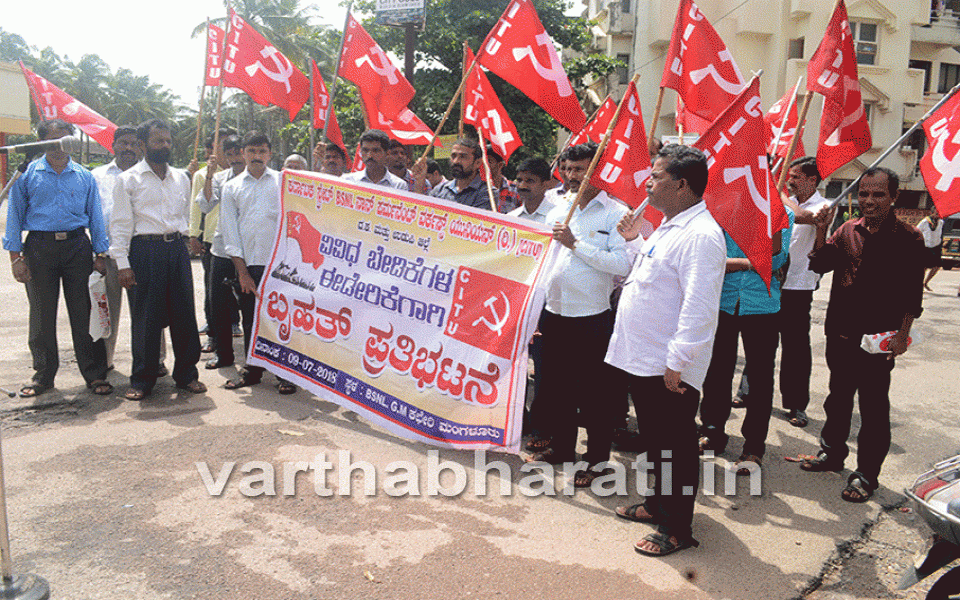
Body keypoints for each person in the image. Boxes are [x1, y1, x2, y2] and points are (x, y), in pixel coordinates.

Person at [608, 144, 725, 557]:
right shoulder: (669, 225)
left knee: (675, 445)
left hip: (667, 364)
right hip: (643, 358)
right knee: (657, 442)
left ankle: (677, 528)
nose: (647, 183)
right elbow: (650, 276)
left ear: (680, 184)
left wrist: (679, 360)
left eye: (655, 176)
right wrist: (633, 240)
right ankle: (659, 505)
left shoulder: (702, 235)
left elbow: (699, 306)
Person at [799, 167, 926, 503]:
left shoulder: (909, 238)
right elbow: (819, 264)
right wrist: (822, 230)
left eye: (878, 194)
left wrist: (902, 336)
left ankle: (866, 475)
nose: (869, 201)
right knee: (837, 398)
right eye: (864, 193)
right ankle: (832, 454)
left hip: (878, 339)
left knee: (872, 407)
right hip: (841, 332)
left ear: (895, 197)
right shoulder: (847, 230)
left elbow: (914, 293)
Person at [527, 142, 633, 488]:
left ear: (598, 171)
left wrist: (577, 244)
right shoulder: (558, 207)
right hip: (554, 314)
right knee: (557, 390)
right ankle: (562, 449)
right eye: (568, 170)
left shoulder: (616, 213)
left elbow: (622, 264)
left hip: (592, 318)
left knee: (594, 395)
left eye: (580, 171)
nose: (572, 177)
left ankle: (598, 460)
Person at [4, 119, 113, 397]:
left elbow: (96, 216)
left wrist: (100, 253)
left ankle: (94, 374)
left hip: (77, 247)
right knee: (41, 313)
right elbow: (14, 217)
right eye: (52, 140)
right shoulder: (27, 174)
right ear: (42, 142)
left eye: (64, 140)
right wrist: (16, 258)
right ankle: (43, 375)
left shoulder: (84, 176)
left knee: (83, 312)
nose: (59, 147)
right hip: (39, 248)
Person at [110, 118, 207, 400]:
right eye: (158, 141)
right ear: (143, 145)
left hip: (176, 250)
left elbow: (183, 217)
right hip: (144, 252)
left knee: (184, 315)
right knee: (146, 319)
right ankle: (142, 380)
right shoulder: (128, 180)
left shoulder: (181, 178)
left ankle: (187, 375)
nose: (165, 146)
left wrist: (190, 238)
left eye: (167, 141)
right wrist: (123, 264)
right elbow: (119, 225)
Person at [698, 212, 794, 473]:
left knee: (760, 379)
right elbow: (711, 259)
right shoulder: (724, 210)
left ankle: (753, 447)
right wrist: (749, 263)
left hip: (762, 306)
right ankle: (712, 432)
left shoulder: (781, 214)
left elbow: (775, 260)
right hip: (723, 302)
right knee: (716, 372)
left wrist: (741, 261)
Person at [218, 132, 297, 395]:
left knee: (281, 319)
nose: (257, 156)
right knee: (250, 319)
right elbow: (230, 233)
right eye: (251, 151)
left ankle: (284, 373)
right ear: (243, 153)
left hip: (281, 265)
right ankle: (252, 370)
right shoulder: (232, 187)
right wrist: (242, 272)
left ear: (270, 154)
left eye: (262, 151)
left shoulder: (284, 182)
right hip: (249, 266)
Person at [92, 125, 170, 374]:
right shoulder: (96, 176)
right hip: (107, 255)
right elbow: (91, 217)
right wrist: (97, 254)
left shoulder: (151, 175)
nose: (127, 149)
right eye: (122, 144)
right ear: (112, 146)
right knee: (107, 311)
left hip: (141, 253)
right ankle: (104, 361)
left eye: (132, 144)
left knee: (150, 310)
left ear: (140, 146)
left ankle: (155, 360)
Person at [777, 156, 833, 428]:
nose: (790, 180)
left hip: (798, 286)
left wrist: (777, 194)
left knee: (795, 348)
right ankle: (747, 392)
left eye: (796, 176)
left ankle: (796, 404)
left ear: (812, 179)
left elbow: (803, 218)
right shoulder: (787, 200)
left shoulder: (823, 206)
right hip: (771, 282)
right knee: (760, 342)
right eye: (789, 176)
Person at [509, 158, 556, 438]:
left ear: (546, 184)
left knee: (546, 372)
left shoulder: (559, 218)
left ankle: (543, 425)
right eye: (520, 180)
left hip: (549, 308)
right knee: (516, 365)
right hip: (518, 306)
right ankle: (519, 418)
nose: (523, 186)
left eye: (530, 181)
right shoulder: (512, 219)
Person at [196, 135, 246, 370]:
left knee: (250, 306)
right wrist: (208, 174)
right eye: (231, 154)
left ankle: (255, 359)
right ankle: (224, 355)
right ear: (226, 156)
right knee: (219, 304)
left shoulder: (262, 179)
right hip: (222, 250)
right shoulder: (217, 178)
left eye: (239, 153)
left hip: (252, 253)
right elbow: (205, 205)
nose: (235, 158)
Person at [418, 138, 489, 210]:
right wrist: (419, 182)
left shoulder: (487, 193)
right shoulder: (439, 191)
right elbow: (423, 212)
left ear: (477, 163)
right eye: (453, 156)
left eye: (463, 157)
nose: (456, 161)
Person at [341, 130, 407, 190]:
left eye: (375, 151)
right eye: (365, 150)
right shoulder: (348, 181)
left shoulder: (399, 186)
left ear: (387, 153)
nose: (370, 155)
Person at [486, 145, 519, 213]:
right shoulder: (475, 190)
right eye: (482, 161)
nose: (484, 165)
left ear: (500, 165)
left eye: (489, 161)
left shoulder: (516, 190)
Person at [917, 208, 944, 291]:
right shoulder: (925, 222)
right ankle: (919, 285)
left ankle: (926, 282)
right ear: (931, 213)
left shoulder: (941, 222)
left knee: (937, 266)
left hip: (936, 246)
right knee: (923, 267)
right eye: (936, 214)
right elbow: (917, 231)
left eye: (939, 214)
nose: (938, 216)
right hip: (926, 247)